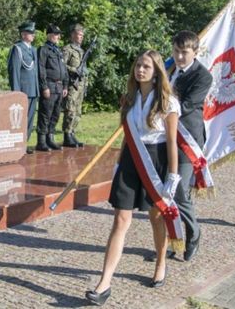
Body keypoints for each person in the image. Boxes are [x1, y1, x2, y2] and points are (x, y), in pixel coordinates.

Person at [86, 50, 180, 305]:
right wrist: (118, 165)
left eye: (146, 66)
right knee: (120, 219)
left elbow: (172, 141)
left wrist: (173, 176)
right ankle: (104, 283)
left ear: (157, 71)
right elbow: (127, 136)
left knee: (156, 217)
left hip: (156, 160)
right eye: (138, 65)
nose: (140, 70)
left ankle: (161, 261)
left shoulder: (169, 102)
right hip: (130, 160)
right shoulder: (129, 98)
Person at [168, 30, 213, 262]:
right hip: (165, 137)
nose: (179, 57)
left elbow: (186, 106)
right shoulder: (168, 69)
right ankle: (173, 238)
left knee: (179, 190)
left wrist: (159, 105)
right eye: (176, 51)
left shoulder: (202, 76)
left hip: (187, 140)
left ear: (195, 52)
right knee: (165, 190)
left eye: (184, 52)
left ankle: (193, 232)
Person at [7, 21, 40, 154]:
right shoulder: (18, 48)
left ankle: (24, 144)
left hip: (33, 89)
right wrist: (16, 92)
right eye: (31, 33)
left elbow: (35, 71)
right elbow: (14, 71)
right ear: (23, 34)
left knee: (30, 119)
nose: (33, 35)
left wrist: (38, 88)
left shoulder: (33, 50)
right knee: (19, 120)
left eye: (33, 33)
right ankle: (17, 145)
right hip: (23, 90)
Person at [36, 24, 68, 152]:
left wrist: (65, 85)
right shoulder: (43, 50)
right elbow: (41, 69)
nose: (58, 36)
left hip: (59, 86)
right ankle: (41, 141)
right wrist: (44, 86)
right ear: (49, 35)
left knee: (55, 114)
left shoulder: (58, 51)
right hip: (49, 85)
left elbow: (63, 69)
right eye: (55, 34)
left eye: (58, 34)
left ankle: (50, 138)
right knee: (45, 113)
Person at [62, 23, 86, 148]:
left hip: (80, 85)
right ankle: (67, 135)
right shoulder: (68, 49)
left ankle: (72, 133)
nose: (81, 37)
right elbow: (62, 65)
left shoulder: (81, 51)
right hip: (72, 84)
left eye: (82, 35)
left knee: (78, 111)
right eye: (79, 34)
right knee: (70, 110)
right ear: (72, 35)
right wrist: (74, 70)